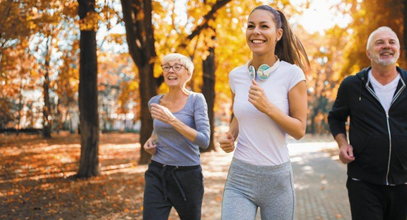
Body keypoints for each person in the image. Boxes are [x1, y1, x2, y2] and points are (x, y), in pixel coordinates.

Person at [219, 5, 309, 220]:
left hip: (277, 180)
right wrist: (230, 135)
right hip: (240, 177)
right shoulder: (237, 76)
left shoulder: (292, 74)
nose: (256, 31)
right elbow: (239, 115)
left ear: (278, 34)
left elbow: (299, 130)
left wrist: (269, 108)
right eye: (251, 26)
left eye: (264, 26)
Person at [328, 26, 407, 220]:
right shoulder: (352, 85)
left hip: (404, 182)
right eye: (380, 42)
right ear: (368, 52)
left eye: (392, 42)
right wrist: (343, 144)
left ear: (399, 50)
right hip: (363, 182)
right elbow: (335, 117)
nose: (386, 46)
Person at [142, 53, 210, 220]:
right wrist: (151, 142)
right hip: (157, 172)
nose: (170, 70)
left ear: (188, 74)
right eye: (167, 67)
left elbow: (204, 140)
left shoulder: (196, 100)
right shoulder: (154, 102)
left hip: (187, 175)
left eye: (177, 67)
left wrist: (172, 120)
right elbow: (157, 131)